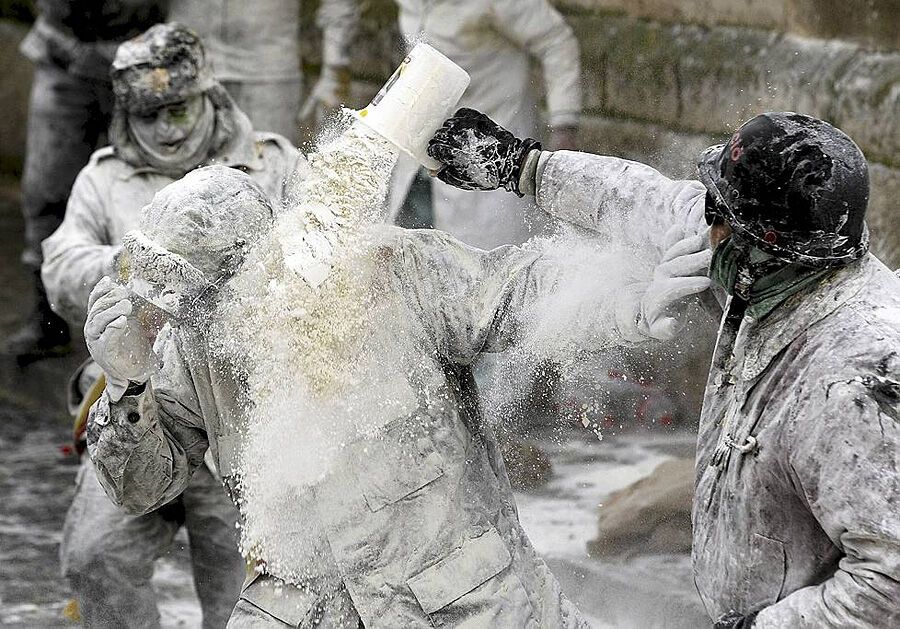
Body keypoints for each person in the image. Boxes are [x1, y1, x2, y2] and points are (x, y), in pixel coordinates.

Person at [80, 126, 708, 625]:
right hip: (308, 603)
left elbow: (519, 291)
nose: (192, 322)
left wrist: (628, 297)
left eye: (207, 302)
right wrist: (129, 389)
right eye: (186, 308)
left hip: (460, 602)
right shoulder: (198, 343)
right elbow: (140, 491)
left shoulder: (390, 274)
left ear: (258, 267)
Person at [427, 108, 900, 627]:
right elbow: (638, 200)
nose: (705, 222)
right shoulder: (777, 270)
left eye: (720, 215)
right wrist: (522, 167)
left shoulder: (851, 384)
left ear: (769, 246)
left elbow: (888, 581)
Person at [41, 23, 303, 628]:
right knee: (95, 554)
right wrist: (142, 263)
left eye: (177, 109)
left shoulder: (271, 163)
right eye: (148, 114)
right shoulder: (103, 179)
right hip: (132, 404)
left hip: (243, 416)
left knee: (251, 589)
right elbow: (59, 267)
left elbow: (329, 257)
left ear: (209, 94)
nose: (164, 128)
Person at [312, 0, 582, 247]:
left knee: (485, 261)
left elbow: (558, 42)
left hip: (489, 140)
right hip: (422, 144)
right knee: (411, 256)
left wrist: (564, 125)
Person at [2, 0, 167, 364]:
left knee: (138, 193)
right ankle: (48, 317)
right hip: (62, 53)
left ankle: (137, 325)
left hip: (140, 59)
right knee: (46, 189)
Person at [169, 0, 360, 145]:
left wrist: (334, 71)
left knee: (271, 173)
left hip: (268, 73)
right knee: (177, 181)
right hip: (187, 65)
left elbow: (338, 4)